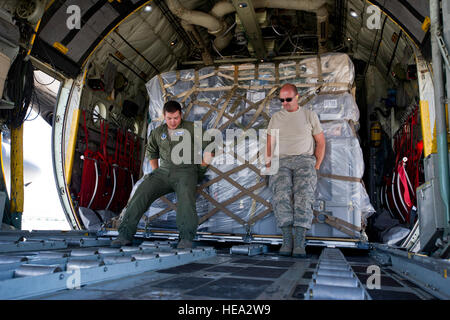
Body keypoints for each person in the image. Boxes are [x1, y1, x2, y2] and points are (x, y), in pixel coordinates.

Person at [111, 100, 212, 249]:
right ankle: (124, 234)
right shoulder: (158, 132)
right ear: (164, 116)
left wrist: (201, 170)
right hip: (163, 171)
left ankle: (186, 238)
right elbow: (151, 153)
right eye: (169, 118)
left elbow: (210, 147)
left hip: (186, 171)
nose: (173, 122)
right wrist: (156, 171)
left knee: (186, 200)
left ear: (181, 115)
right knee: (141, 192)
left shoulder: (192, 128)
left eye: (176, 118)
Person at [266, 83, 325, 258]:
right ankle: (287, 240)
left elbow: (321, 142)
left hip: (304, 160)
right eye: (281, 100)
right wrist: (268, 165)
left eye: (288, 99)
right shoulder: (276, 118)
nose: (284, 103)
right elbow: (269, 143)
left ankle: (299, 242)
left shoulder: (309, 115)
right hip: (281, 161)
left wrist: (316, 165)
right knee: (280, 196)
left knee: (304, 197)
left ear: (297, 97)